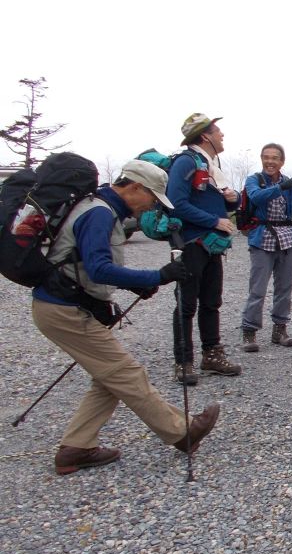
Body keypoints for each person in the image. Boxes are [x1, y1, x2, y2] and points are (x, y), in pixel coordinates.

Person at [30, 155, 220, 475]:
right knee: (126, 373)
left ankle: (76, 447)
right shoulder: (100, 214)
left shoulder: (97, 208)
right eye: (150, 197)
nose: (150, 207)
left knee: (110, 378)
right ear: (134, 187)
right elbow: (99, 269)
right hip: (64, 311)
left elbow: (85, 264)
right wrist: (156, 276)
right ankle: (181, 432)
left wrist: (136, 286)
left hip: (58, 307)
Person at [166, 113, 241, 383]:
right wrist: (214, 221)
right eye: (218, 131)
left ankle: (211, 354)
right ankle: (183, 362)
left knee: (212, 301)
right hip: (191, 243)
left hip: (211, 245)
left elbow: (217, 202)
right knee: (186, 304)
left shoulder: (210, 164)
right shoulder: (186, 161)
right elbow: (176, 201)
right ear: (205, 136)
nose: (222, 135)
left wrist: (233, 200)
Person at [240, 143, 292, 351]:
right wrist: (282, 187)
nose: (270, 161)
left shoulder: (289, 184)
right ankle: (249, 332)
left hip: (287, 239)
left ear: (282, 162)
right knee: (258, 288)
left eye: (274, 158)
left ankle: (279, 330)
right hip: (262, 237)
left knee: (285, 287)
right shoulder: (254, 180)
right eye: (266, 157)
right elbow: (256, 197)